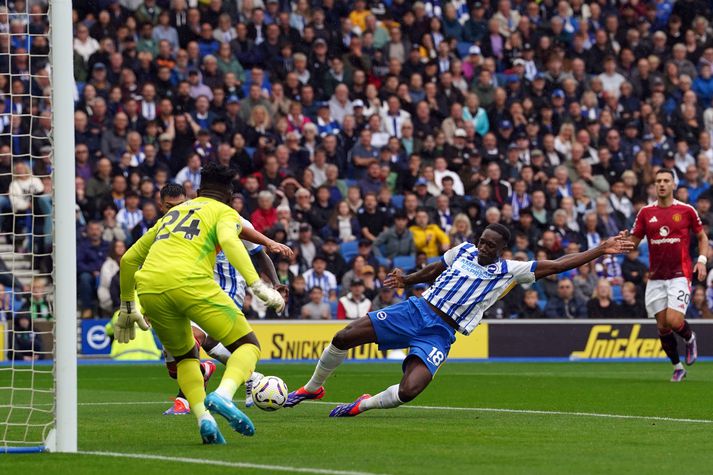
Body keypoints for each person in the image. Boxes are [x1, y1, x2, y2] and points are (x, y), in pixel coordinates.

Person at [284, 223, 632, 416]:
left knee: (409, 391)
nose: (483, 248)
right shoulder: (464, 250)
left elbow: (557, 265)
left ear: (501, 250)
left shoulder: (510, 271)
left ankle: (364, 405)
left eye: (490, 246)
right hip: (415, 309)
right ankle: (313, 388)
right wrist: (408, 279)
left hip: (441, 332)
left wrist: (599, 250)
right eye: (482, 241)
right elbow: (437, 267)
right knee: (345, 336)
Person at [116, 163, 287, 444]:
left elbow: (128, 260)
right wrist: (257, 285)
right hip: (191, 283)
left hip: (150, 289)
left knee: (185, 358)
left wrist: (127, 305)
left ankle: (203, 419)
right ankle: (222, 395)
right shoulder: (224, 212)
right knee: (248, 345)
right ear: (230, 196)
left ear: (196, 191)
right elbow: (231, 243)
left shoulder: (172, 215)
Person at [157, 183, 289, 415]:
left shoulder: (234, 219)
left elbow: (259, 253)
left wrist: (275, 282)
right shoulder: (184, 220)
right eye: (168, 206)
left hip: (226, 290)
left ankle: (186, 399)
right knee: (187, 348)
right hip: (193, 286)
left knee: (192, 339)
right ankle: (248, 375)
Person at [628, 168, 709, 382]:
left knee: (673, 320)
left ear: (673, 184)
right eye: (658, 181)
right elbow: (633, 241)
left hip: (679, 274)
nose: (662, 184)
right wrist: (619, 243)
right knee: (663, 327)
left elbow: (702, 237)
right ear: (655, 185)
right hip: (655, 277)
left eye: (666, 180)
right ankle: (678, 367)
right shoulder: (646, 212)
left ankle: (690, 337)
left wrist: (701, 261)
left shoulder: (686, 210)